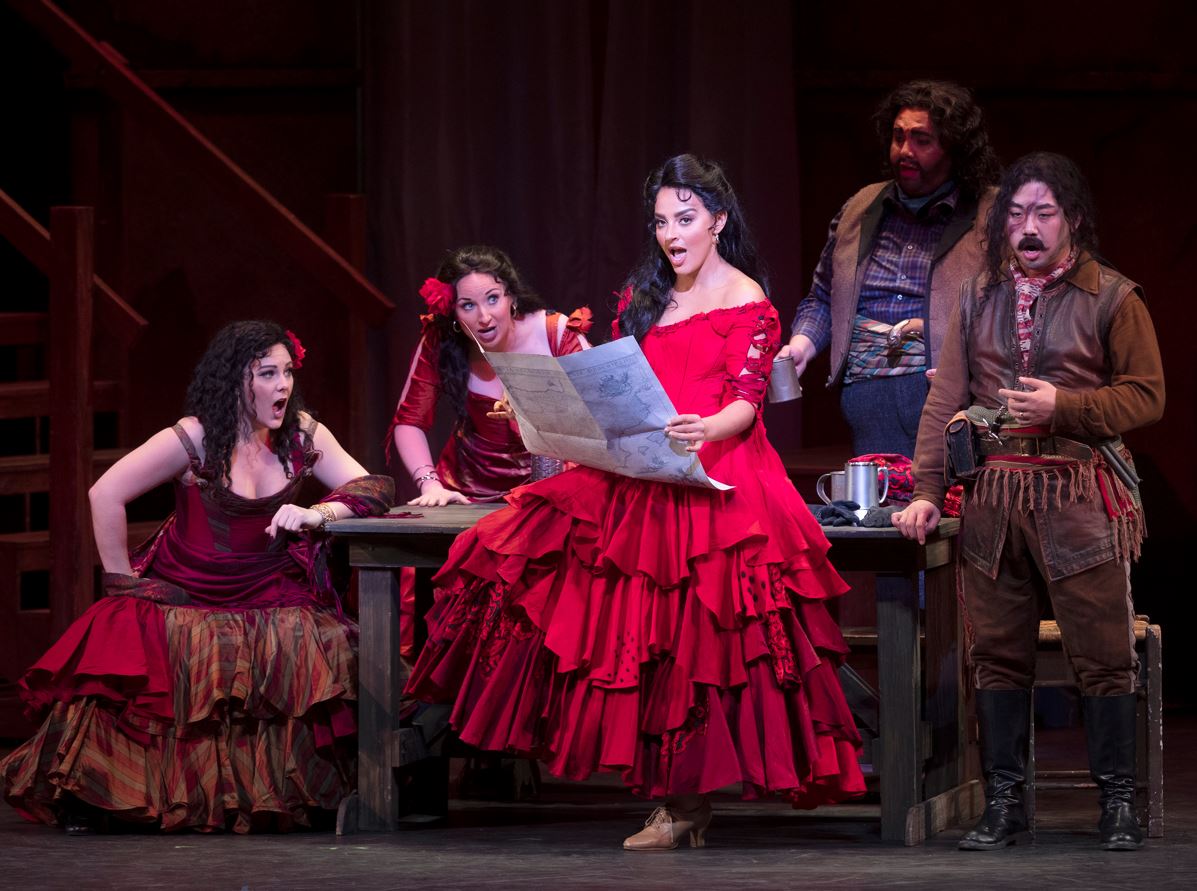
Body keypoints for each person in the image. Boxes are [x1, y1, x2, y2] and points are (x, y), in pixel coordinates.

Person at [405, 154, 865, 850]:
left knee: (696, 640)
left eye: (684, 219)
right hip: (646, 465)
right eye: (660, 222)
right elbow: (621, 386)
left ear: (717, 220)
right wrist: (549, 412)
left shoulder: (749, 301)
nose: (671, 234)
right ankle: (668, 801)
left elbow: (746, 403)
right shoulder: (644, 296)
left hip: (718, 473)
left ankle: (685, 805)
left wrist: (705, 428)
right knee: (521, 559)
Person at [0, 320, 394, 833]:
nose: (282, 385)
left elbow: (371, 488)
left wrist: (318, 513)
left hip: (269, 589)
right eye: (267, 374)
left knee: (320, 646)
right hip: (191, 590)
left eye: (287, 372)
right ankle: (108, 795)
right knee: (159, 658)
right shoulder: (194, 437)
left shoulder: (302, 433)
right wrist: (122, 583)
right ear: (235, 380)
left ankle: (286, 794)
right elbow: (105, 493)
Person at [892, 152, 1165, 851]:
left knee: (1102, 655)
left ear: (1071, 218)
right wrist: (927, 490)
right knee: (996, 656)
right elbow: (944, 401)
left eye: (1043, 212)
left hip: (1077, 493)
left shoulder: (1112, 296)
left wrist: (1063, 406)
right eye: (1015, 214)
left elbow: (1146, 395)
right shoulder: (977, 297)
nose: (1028, 227)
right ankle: (1005, 804)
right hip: (994, 498)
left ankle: (1118, 805)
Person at [784, 80, 1000, 456]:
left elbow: (1013, 310)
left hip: (951, 396)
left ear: (954, 147)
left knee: (948, 492)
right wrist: (802, 344)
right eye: (899, 137)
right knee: (883, 493)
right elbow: (824, 298)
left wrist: (953, 348)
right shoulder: (860, 208)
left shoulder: (991, 214)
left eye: (922, 140)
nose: (905, 151)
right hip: (868, 394)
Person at [388, 245, 591, 506]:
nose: (484, 317)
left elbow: (602, 411)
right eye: (468, 305)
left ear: (512, 297)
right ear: (453, 313)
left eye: (493, 299)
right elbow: (409, 421)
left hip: (550, 491)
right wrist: (430, 484)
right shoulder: (440, 341)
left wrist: (538, 411)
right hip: (466, 493)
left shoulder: (555, 332)